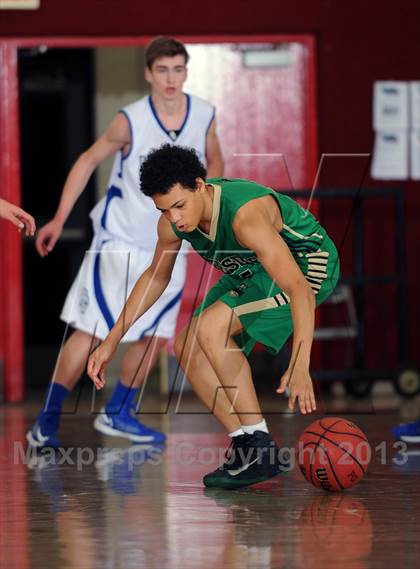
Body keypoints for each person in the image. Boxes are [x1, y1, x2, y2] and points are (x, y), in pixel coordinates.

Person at [87, 144, 340, 489]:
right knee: (186, 346)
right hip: (252, 270)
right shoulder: (172, 223)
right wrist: (111, 340)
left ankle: (261, 448)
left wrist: (300, 362)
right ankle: (246, 444)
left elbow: (298, 288)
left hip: (308, 268)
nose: (175, 218)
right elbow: (155, 277)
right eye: (164, 209)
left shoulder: (244, 217)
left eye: (179, 205)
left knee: (210, 327)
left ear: (201, 185)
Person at [26, 37, 224, 450]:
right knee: (90, 330)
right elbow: (86, 162)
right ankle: (46, 422)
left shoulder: (204, 113)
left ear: (186, 72)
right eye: (163, 70)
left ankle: (119, 413)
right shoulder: (129, 119)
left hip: (171, 241)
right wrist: (60, 219)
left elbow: (215, 161)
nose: (171, 78)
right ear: (149, 73)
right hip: (118, 242)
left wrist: (210, 210)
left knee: (152, 333)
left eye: (178, 69)